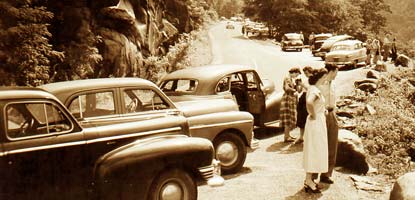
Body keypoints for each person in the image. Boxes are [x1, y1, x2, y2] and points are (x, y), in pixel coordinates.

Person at [303, 68, 329, 193]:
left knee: (315, 149)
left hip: (317, 121)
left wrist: (321, 110)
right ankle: (308, 180)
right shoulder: (315, 90)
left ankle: (308, 179)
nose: (325, 80)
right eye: (324, 77)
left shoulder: (313, 89)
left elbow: (315, 104)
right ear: (321, 77)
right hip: (316, 123)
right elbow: (309, 102)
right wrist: (314, 114)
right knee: (315, 150)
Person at [317, 64, 339, 184]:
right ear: (332, 71)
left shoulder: (334, 84)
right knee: (320, 144)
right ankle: (314, 174)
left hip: (332, 114)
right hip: (321, 115)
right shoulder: (320, 83)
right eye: (336, 72)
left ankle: (326, 174)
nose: (337, 75)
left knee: (332, 144)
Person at [280, 67, 301, 142]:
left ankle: (287, 135)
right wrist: (294, 90)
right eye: (296, 74)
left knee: (289, 118)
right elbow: (286, 88)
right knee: (288, 118)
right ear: (294, 72)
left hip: (290, 99)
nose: (296, 76)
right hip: (288, 99)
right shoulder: (287, 78)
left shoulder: (291, 79)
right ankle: (286, 136)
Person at [295, 66, 314, 144]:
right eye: (305, 73)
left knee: (307, 116)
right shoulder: (306, 80)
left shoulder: (313, 80)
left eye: (307, 73)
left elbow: (311, 89)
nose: (306, 75)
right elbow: (300, 91)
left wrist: (302, 84)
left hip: (309, 97)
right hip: (303, 97)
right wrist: (297, 85)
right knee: (301, 117)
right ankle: (301, 136)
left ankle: (309, 137)